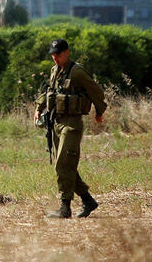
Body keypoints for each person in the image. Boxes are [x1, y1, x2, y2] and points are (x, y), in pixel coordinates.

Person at [33, 38, 106, 219]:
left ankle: (65, 207)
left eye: (58, 54)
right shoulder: (55, 71)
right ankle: (88, 200)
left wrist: (99, 111)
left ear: (67, 52)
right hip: (56, 123)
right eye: (53, 55)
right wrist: (38, 108)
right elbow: (49, 91)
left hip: (72, 125)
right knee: (67, 165)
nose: (55, 57)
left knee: (62, 164)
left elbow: (96, 91)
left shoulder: (77, 72)